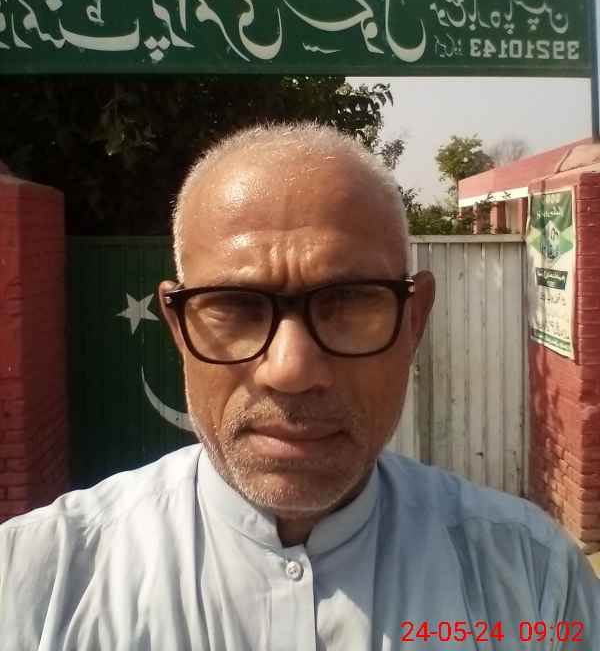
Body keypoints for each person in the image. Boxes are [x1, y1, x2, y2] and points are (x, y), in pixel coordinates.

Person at [1, 122, 598, 650]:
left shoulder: (534, 584)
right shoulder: (38, 587)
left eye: (347, 302)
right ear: (179, 329)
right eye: (236, 307)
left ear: (413, 322)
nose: (291, 369)